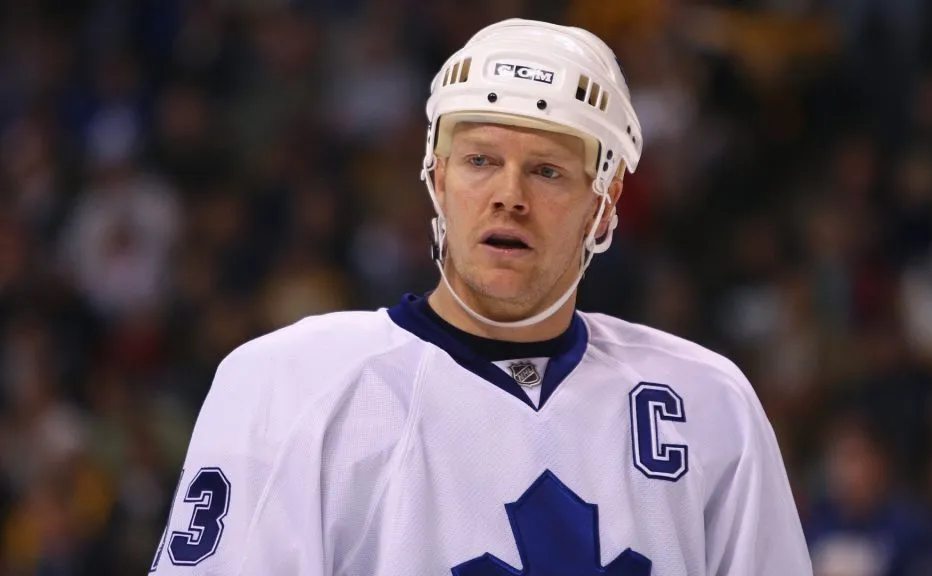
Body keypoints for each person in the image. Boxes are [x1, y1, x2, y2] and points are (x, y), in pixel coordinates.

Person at [149, 18, 812, 575]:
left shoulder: (706, 403)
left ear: (604, 208)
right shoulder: (287, 384)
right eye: (480, 160)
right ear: (436, 180)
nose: (509, 195)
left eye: (547, 170)